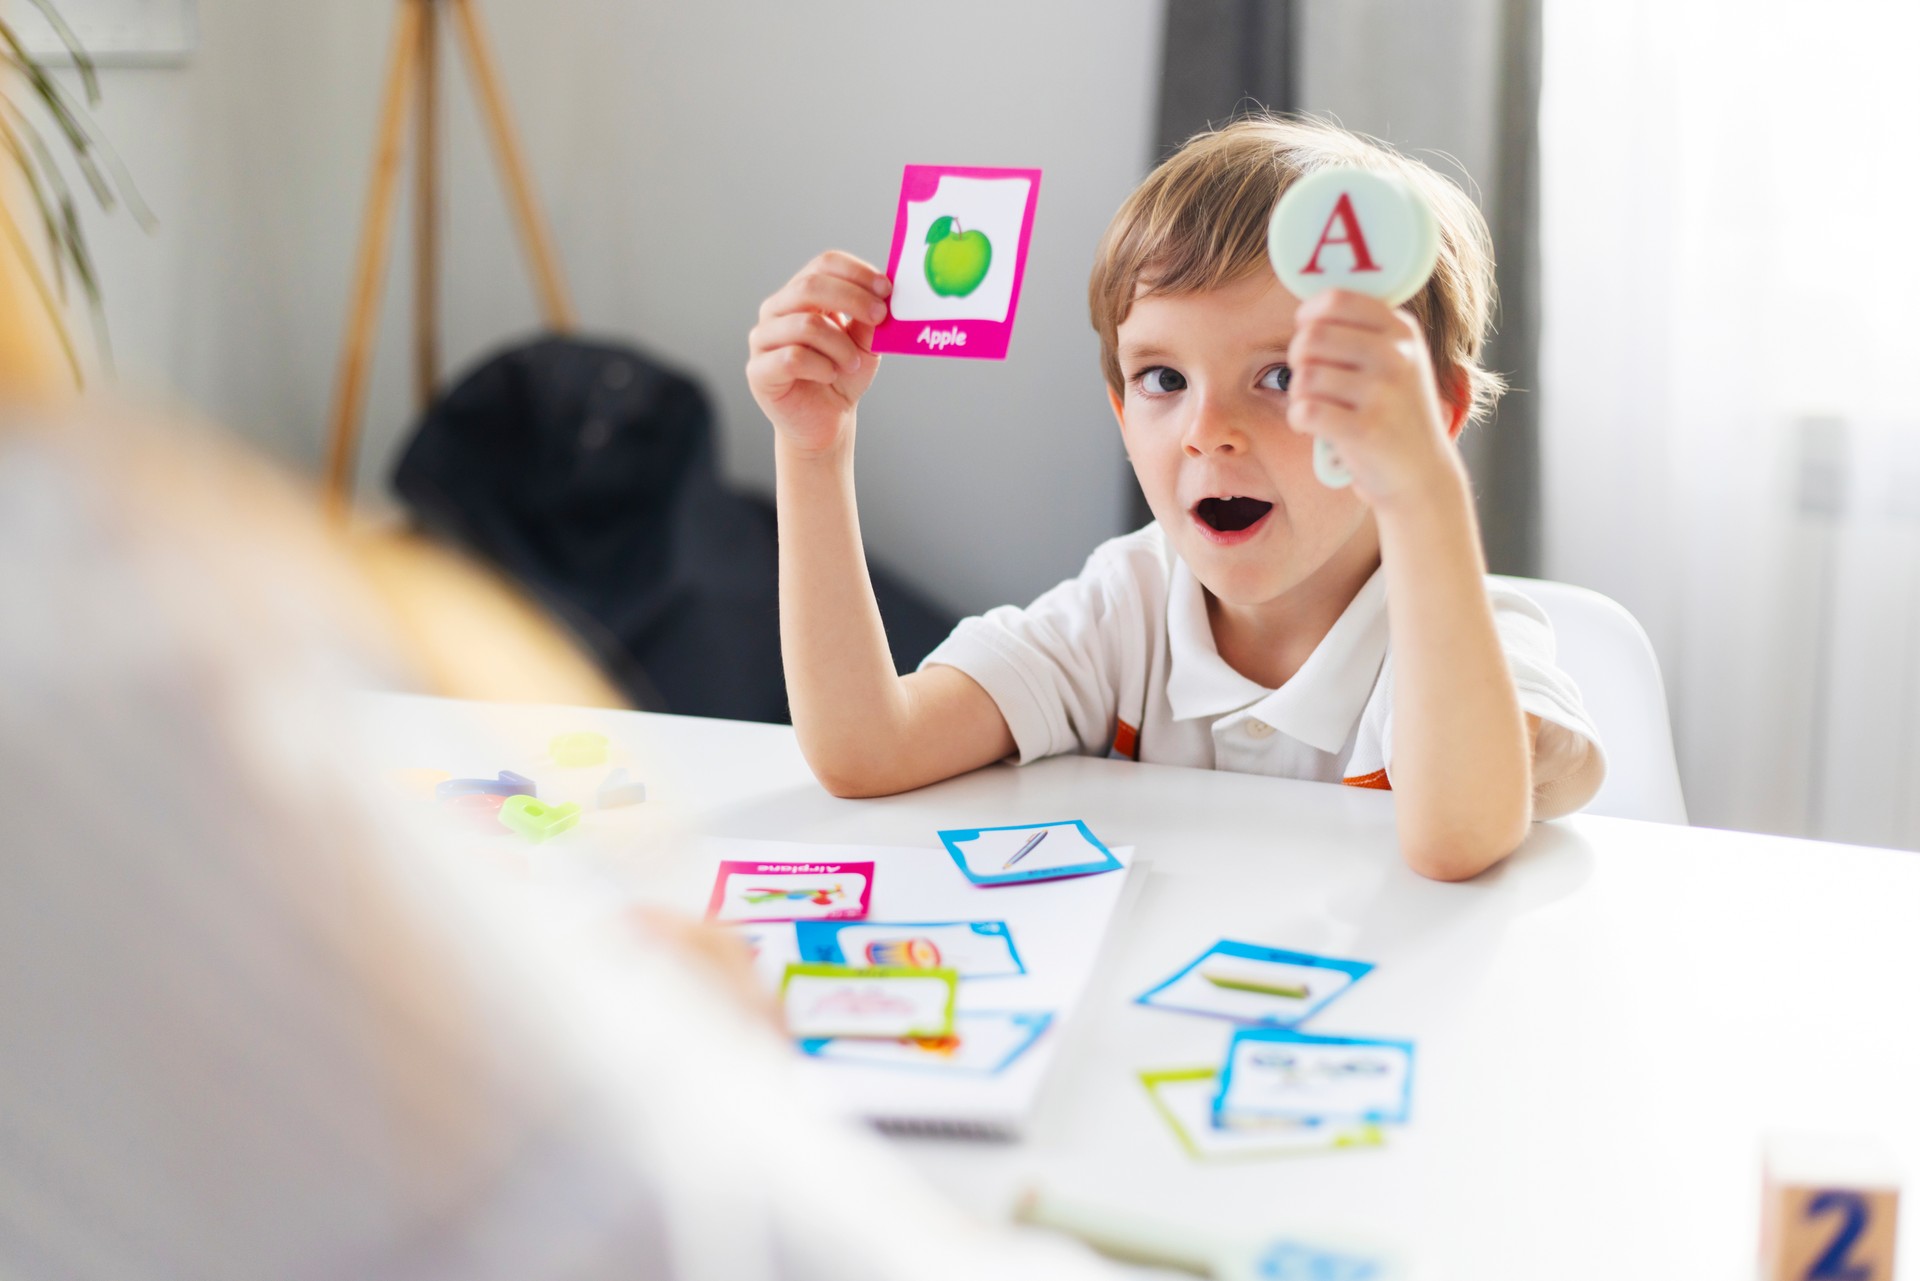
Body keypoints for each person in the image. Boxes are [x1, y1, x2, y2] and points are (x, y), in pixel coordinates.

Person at [0, 417, 1119, 1280]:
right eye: (1161, 381)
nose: (1213, 430)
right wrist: (667, 1066)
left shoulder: (109, 613)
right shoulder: (98, 645)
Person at [747, 114, 1604, 882]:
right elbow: (867, 750)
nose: (1209, 430)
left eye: (1282, 375)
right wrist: (814, 452)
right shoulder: (1124, 608)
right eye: (1162, 377)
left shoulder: (1471, 635)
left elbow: (1457, 842)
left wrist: (1424, 494)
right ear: (1123, 412)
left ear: (1433, 415)